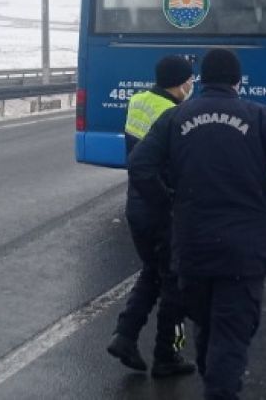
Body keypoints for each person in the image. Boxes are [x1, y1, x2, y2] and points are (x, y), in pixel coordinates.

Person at [129, 48, 266, 400]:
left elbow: (140, 165)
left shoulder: (176, 118)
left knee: (206, 327)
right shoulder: (259, 116)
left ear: (201, 81)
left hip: (193, 246)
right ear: (237, 81)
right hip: (244, 250)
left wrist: (170, 203)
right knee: (231, 335)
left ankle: (214, 382)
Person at [107, 56, 198, 377]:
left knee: (152, 272)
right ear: (178, 81)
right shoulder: (173, 115)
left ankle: (125, 336)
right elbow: (180, 166)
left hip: (137, 205)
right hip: (163, 209)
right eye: (189, 80)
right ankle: (166, 355)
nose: (192, 85)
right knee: (175, 285)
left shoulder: (138, 102)